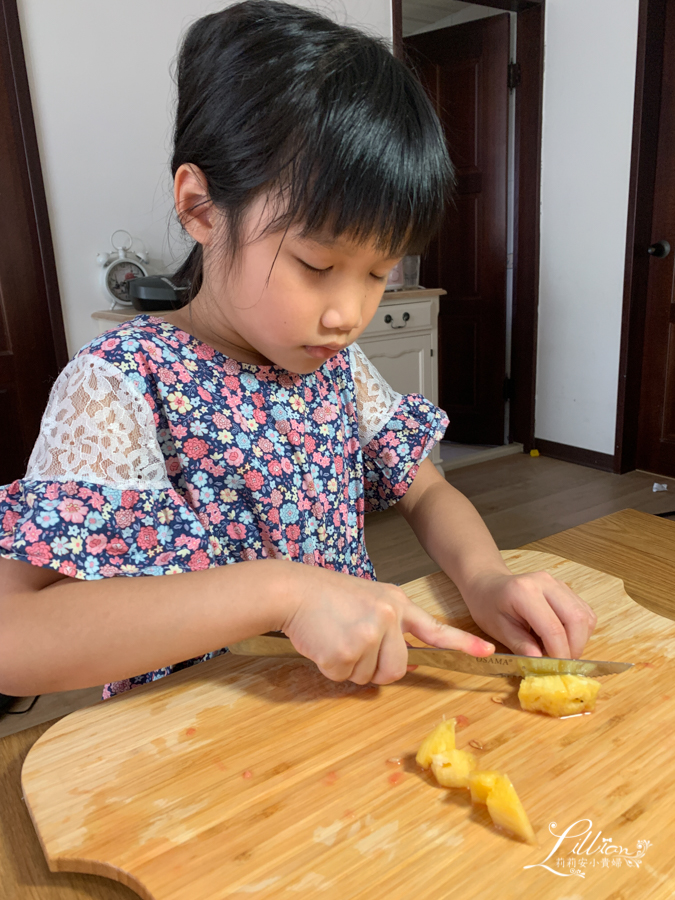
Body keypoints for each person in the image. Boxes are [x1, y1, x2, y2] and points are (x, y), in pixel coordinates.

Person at [0, 0, 596, 701]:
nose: (349, 315)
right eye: (315, 266)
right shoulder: (120, 384)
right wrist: (282, 592)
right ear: (200, 207)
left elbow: (425, 486)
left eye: (381, 273)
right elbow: (16, 637)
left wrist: (486, 576)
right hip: (187, 738)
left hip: (341, 710)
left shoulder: (334, 365)